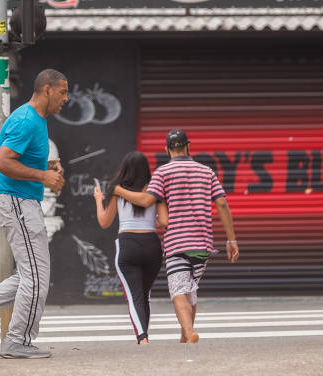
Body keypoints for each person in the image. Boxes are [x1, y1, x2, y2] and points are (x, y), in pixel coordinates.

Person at [0, 69, 68, 359]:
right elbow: (2, 162)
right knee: (37, 277)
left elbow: (20, 156)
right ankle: (16, 341)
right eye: (63, 92)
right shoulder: (27, 120)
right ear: (47, 89)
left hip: (21, 201)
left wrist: (48, 163)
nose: (66, 99)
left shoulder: (35, 121)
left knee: (29, 275)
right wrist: (44, 176)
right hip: (17, 201)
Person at [114, 129, 239, 344]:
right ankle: (185, 335)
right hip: (202, 243)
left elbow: (145, 201)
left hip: (177, 242)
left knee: (179, 290)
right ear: (188, 146)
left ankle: (189, 333)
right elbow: (221, 204)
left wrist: (117, 190)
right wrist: (231, 239)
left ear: (166, 149)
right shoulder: (206, 171)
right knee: (190, 288)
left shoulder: (163, 173)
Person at [92, 151, 168, 345]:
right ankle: (144, 335)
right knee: (144, 294)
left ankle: (142, 338)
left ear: (125, 168)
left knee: (134, 295)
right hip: (152, 246)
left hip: (128, 245)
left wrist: (98, 201)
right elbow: (164, 222)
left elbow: (104, 222)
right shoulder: (155, 191)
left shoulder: (117, 191)